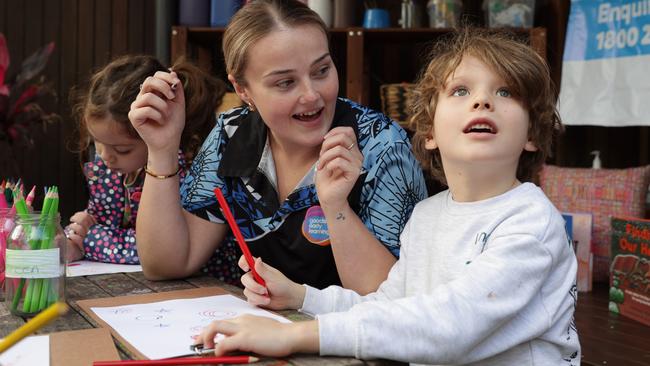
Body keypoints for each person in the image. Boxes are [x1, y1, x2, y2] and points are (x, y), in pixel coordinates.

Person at [197, 28, 581, 365]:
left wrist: (292, 335)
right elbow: (390, 307)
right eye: (461, 90)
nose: (482, 101)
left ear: (533, 133)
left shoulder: (530, 221)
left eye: (505, 92)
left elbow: (450, 326)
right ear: (428, 132)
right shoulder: (427, 216)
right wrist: (301, 298)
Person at [129, 0, 427, 292]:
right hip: (255, 332)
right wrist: (162, 150)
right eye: (285, 82)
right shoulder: (232, 135)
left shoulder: (381, 145)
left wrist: (337, 209)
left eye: (321, 70)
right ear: (242, 89)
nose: (312, 95)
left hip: (345, 337)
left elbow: (392, 295)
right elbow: (166, 264)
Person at [66, 55, 226, 263]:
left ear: (153, 131)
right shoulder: (105, 171)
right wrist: (76, 233)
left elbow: (160, 250)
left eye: (122, 149)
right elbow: (96, 221)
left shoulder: (184, 172)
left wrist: (90, 240)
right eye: (96, 142)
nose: (105, 156)